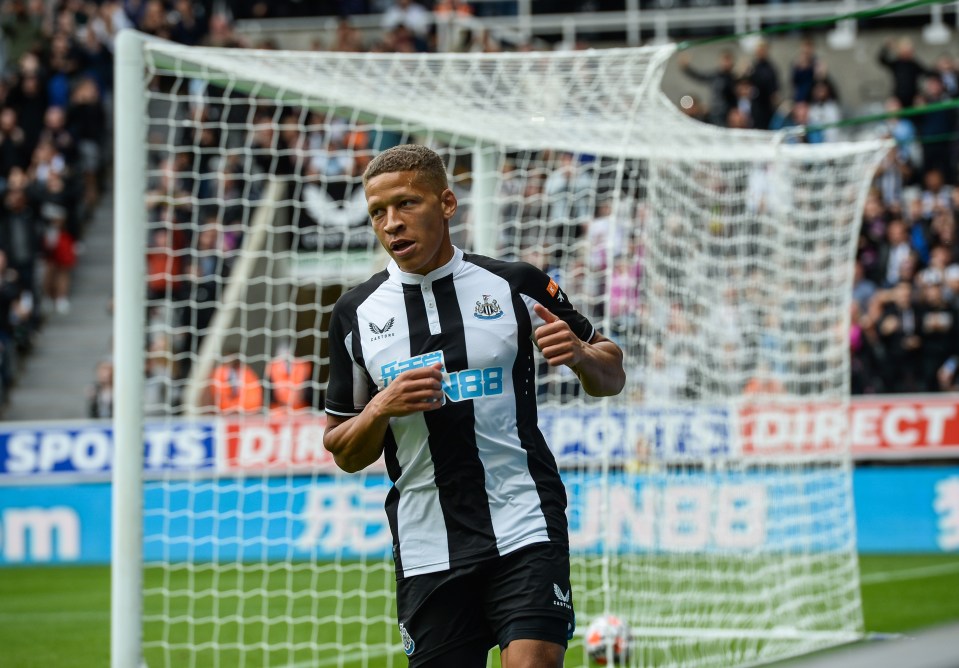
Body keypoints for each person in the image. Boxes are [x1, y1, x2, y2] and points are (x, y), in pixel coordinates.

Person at [323, 144, 625, 667]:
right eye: (377, 212)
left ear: (446, 203)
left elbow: (612, 371)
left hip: (524, 516)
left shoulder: (516, 285)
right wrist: (379, 409)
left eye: (406, 204)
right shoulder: (355, 314)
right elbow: (344, 450)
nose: (391, 224)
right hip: (426, 539)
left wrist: (579, 355)